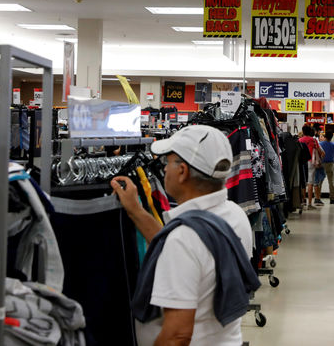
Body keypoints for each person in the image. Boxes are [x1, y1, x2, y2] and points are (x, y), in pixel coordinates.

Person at [110, 125, 259, 346]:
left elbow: (177, 336)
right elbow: (182, 253)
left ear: (182, 172)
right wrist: (136, 210)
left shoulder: (185, 239)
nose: (164, 170)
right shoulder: (233, 216)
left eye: (166, 163)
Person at [298, 125, 324, 209]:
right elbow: (320, 151)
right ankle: (309, 204)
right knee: (310, 183)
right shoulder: (313, 140)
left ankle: (303, 201)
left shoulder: (299, 140)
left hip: (302, 162)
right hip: (311, 162)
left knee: (303, 183)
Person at [318, 131, 334, 204]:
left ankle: (317, 198)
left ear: (325, 136)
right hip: (330, 164)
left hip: (322, 164)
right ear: (332, 137)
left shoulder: (320, 144)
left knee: (319, 182)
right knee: (331, 182)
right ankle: (332, 198)